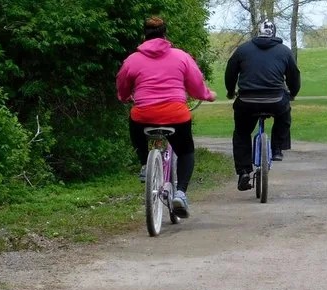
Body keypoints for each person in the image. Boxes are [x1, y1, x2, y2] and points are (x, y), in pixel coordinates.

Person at [116, 16, 216, 218]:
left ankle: (145, 164)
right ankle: (181, 193)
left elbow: (122, 85)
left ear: (144, 34)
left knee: (135, 123)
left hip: (144, 115)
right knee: (186, 151)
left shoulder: (133, 59)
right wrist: (207, 95)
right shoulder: (181, 57)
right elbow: (196, 85)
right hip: (175, 115)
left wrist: (125, 97)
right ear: (165, 34)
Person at [224, 19, 301, 191]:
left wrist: (230, 91)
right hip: (275, 99)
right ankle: (277, 149)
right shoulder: (284, 51)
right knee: (284, 115)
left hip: (246, 101)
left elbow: (230, 72)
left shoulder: (243, 49)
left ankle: (244, 171)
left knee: (242, 132)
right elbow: (294, 75)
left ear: (257, 32)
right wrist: (293, 93)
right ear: (274, 33)